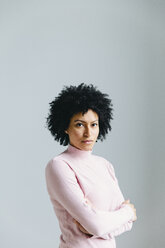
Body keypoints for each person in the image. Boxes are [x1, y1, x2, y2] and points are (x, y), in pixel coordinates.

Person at [45, 83, 137, 248]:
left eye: (94, 124)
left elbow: (125, 224)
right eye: (79, 124)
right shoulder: (59, 166)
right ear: (65, 126)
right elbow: (98, 224)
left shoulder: (105, 165)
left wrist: (100, 226)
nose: (88, 133)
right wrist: (128, 212)